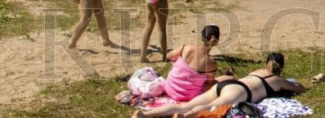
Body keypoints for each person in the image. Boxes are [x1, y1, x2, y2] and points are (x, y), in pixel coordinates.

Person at [131, 52, 305, 118]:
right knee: (208, 107)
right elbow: (298, 88)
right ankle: (183, 117)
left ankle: (144, 116)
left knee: (185, 105)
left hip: (229, 85)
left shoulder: (257, 71)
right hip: (240, 92)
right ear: (281, 67)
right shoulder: (277, 80)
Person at [160, 25, 227, 102]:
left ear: (202, 37)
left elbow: (169, 56)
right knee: (221, 81)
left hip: (170, 89)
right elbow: (209, 82)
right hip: (189, 96)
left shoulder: (187, 47)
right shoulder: (211, 63)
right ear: (217, 41)